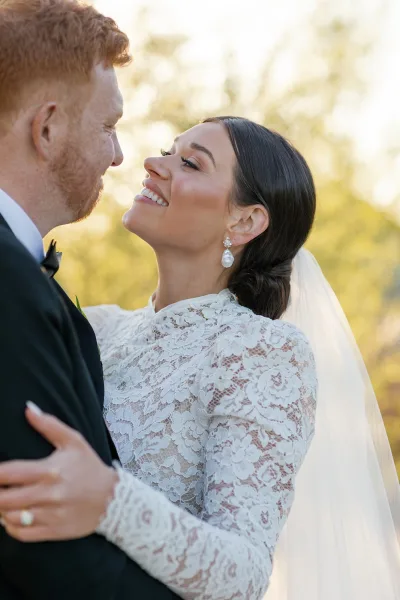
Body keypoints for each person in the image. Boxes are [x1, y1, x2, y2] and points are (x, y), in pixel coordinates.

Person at [1, 115, 400, 600]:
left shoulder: (264, 354)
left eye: (189, 163)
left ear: (246, 221)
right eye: (169, 151)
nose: (152, 164)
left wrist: (109, 499)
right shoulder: (97, 328)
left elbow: (244, 572)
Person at [0, 1, 180, 598]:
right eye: (108, 127)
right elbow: (42, 544)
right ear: (46, 128)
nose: (121, 156)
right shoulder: (8, 282)